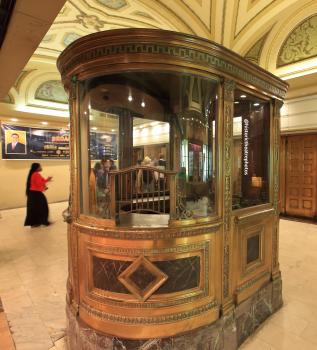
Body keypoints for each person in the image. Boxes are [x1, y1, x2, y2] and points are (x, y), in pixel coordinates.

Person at [24, 163, 52, 227]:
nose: (41, 167)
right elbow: (39, 183)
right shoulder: (36, 174)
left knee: (35, 208)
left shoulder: (35, 174)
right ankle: (42, 221)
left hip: (34, 194)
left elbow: (42, 181)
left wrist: (47, 179)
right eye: (40, 166)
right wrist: (44, 185)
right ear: (37, 168)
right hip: (36, 194)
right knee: (43, 207)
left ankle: (36, 223)